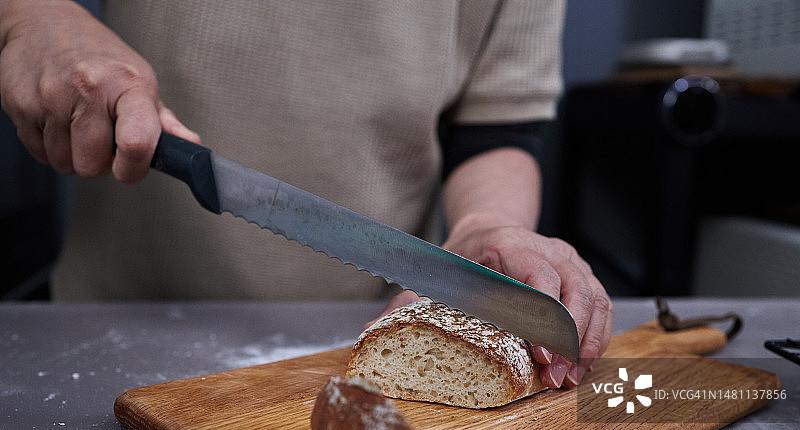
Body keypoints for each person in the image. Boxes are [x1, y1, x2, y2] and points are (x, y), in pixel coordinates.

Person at [0, 0, 612, 387]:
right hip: (109, 334)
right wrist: (27, 15)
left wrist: (483, 224)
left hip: (360, 332)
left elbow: (498, 126)